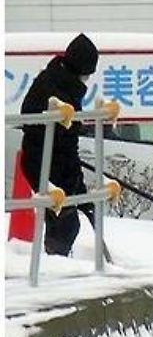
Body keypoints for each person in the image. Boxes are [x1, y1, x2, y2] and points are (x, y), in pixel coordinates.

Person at [20, 33, 99, 256]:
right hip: (44, 162)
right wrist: (76, 186)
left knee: (63, 221)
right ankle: (54, 266)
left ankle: (54, 260)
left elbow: (67, 146)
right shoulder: (61, 91)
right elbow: (65, 144)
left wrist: (78, 188)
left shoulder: (54, 79)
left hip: (44, 160)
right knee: (65, 223)